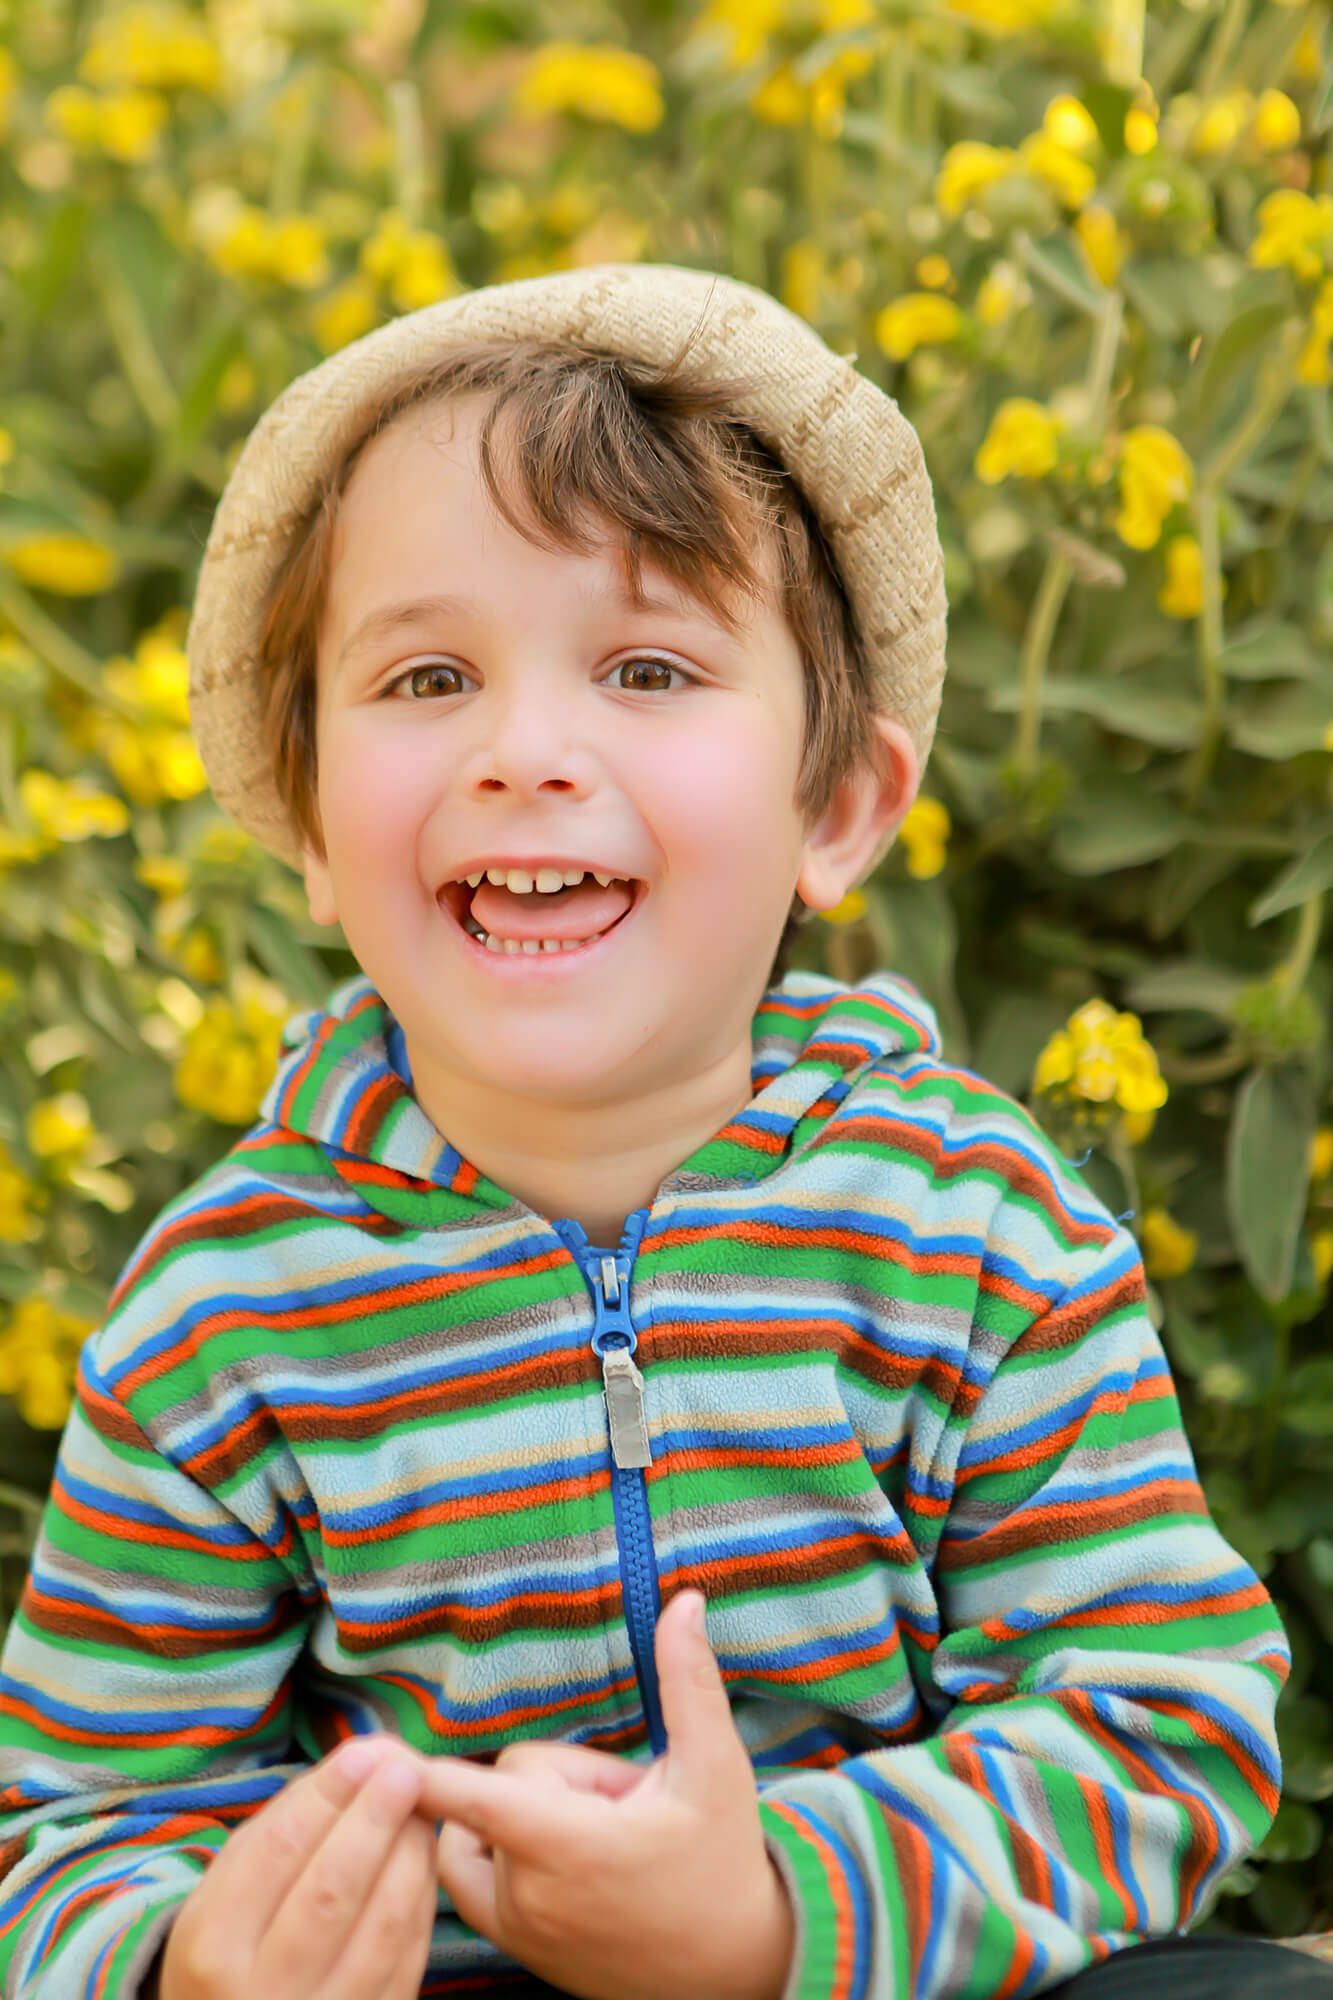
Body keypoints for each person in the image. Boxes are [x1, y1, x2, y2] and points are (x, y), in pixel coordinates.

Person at [0, 264, 1320, 2000]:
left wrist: (765, 1918)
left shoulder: (968, 1223)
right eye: (422, 680)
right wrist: (187, 1962)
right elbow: (67, 1828)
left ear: (835, 808)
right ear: (310, 823)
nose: (524, 749)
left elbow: (1163, 1719)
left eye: (643, 663)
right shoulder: (227, 1312)